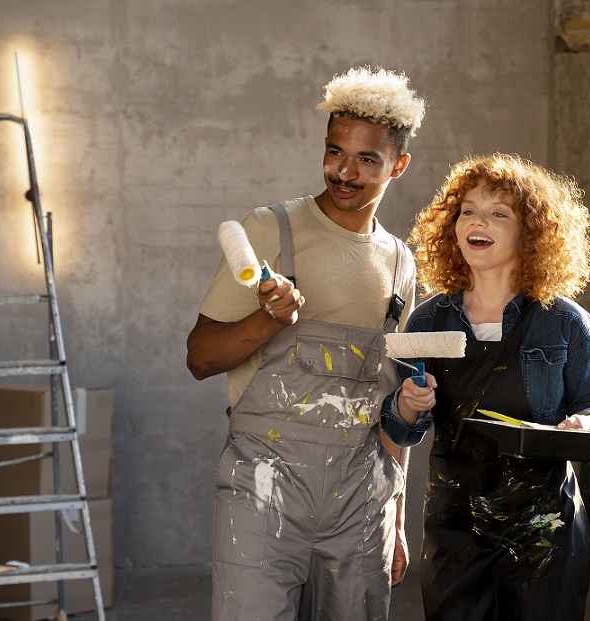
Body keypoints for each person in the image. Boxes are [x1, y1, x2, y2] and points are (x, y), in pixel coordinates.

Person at [186, 66, 428, 621]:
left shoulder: (400, 264)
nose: (344, 172)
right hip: (263, 488)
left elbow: (398, 398)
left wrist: (395, 513)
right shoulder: (270, 230)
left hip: (362, 500)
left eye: (366, 159)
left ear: (398, 165)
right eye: (334, 152)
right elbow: (199, 358)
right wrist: (270, 319)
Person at [379, 153, 590, 621]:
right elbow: (403, 430)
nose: (477, 221)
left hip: (543, 525)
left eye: (498, 213)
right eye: (467, 210)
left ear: (531, 233)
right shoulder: (429, 320)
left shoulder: (564, 322)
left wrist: (585, 423)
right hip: (456, 525)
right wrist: (408, 403)